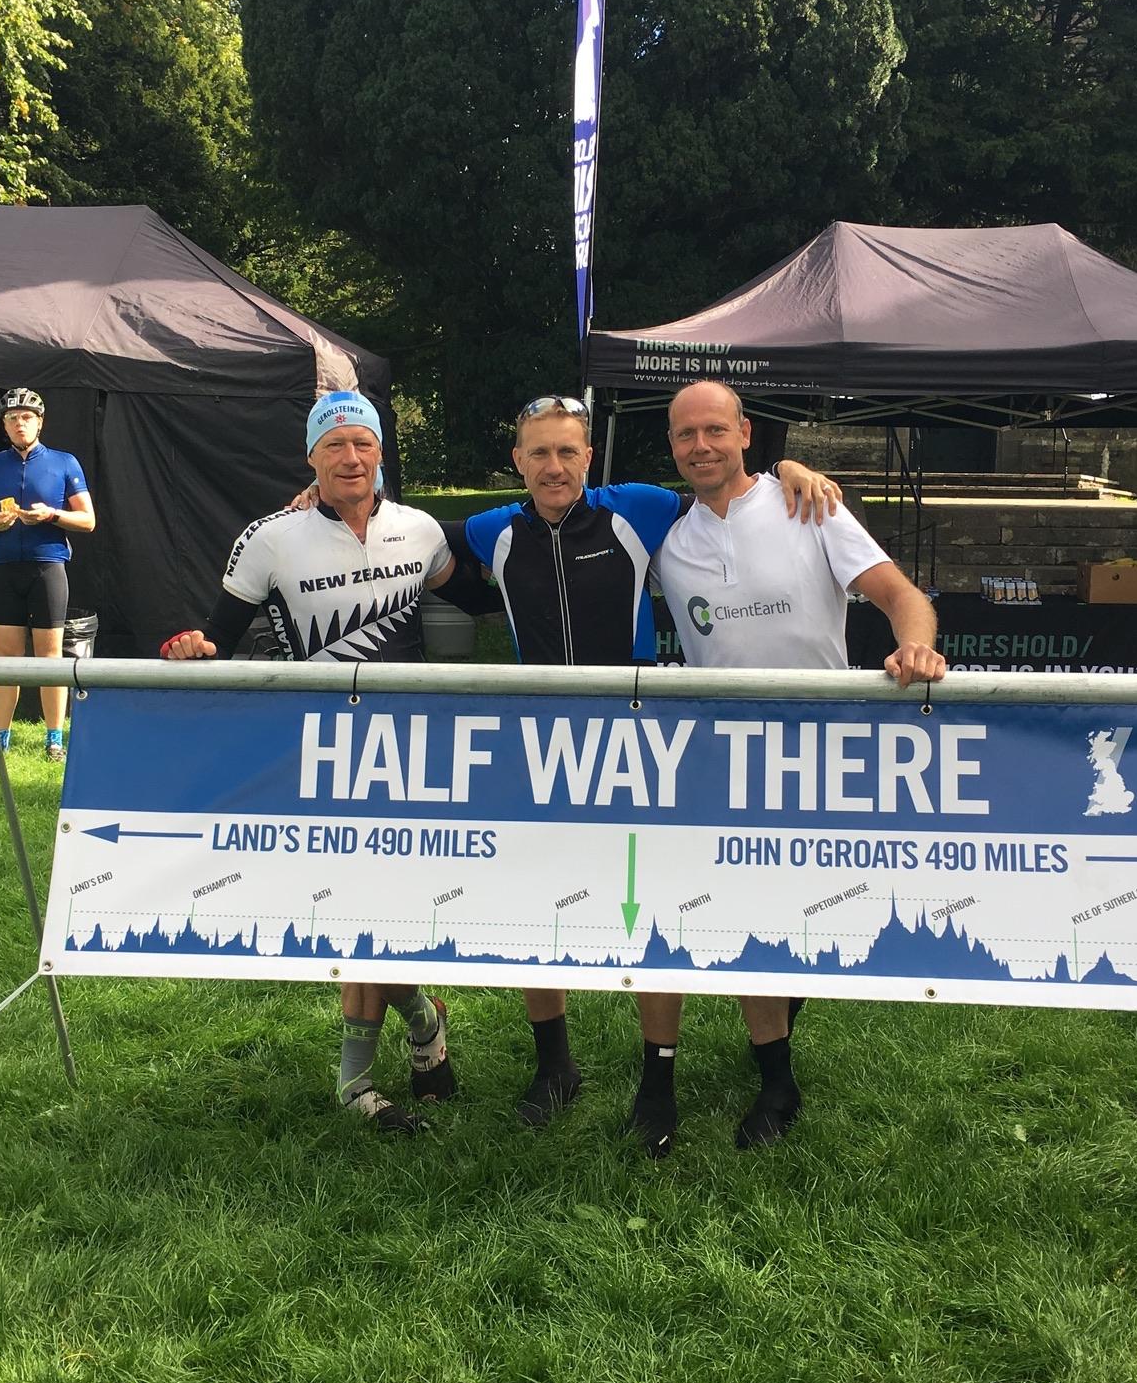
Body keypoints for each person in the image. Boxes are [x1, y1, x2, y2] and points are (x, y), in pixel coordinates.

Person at [455, 394, 842, 1130]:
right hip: (539, 743)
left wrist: (788, 467)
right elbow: (415, 543)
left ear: (588, 457)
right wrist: (327, 495)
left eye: (568, 450)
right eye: (539, 452)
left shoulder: (636, 509)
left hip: (636, 741)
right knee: (540, 906)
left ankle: (658, 1079)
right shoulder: (491, 530)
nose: (554, 465)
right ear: (518, 463)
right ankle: (554, 1064)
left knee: (655, 907)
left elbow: (722, 481)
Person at [639, 378, 947, 1154]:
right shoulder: (666, 544)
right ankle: (776, 1078)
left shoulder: (808, 506)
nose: (700, 447)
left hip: (823, 753)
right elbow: (566, 489)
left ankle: (775, 1022)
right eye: (685, 436)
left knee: (813, 917)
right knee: (747, 911)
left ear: (746, 433)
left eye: (715, 430)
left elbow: (899, 593)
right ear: (671, 446)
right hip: (724, 758)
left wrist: (914, 642)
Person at [160, 390, 461, 1135]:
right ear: (311, 458)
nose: (350, 457)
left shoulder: (420, 530)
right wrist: (197, 649)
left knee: (384, 908)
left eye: (363, 442)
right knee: (359, 909)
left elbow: (477, 588)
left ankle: (410, 1039)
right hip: (324, 752)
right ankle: (391, 1052)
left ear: (382, 451)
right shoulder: (271, 536)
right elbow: (219, 632)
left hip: (413, 750)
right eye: (335, 446)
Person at [0, 389, 96, 762]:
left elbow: (88, 520)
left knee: (50, 657)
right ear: (4, 425)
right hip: (5, 570)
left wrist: (52, 515)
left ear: (39, 422)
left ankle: (54, 740)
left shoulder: (64, 462)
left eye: (26, 417)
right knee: (5, 659)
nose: (19, 424)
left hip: (47, 568)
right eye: (12, 418)